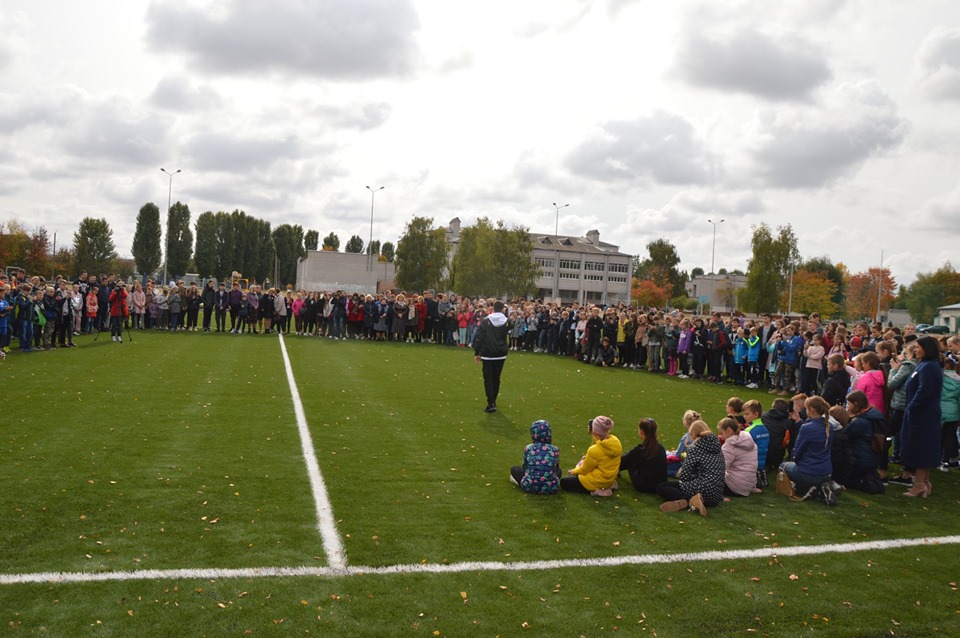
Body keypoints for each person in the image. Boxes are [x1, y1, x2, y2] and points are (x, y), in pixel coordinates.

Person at [900, 336, 943, 497]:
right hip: (921, 412)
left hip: (923, 413)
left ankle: (919, 484)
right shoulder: (924, 364)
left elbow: (924, 390)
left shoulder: (929, 366)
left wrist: (912, 406)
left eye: (918, 347)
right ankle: (924, 482)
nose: (915, 350)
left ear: (927, 348)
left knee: (922, 447)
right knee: (920, 446)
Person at [656, 420, 725, 516]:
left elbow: (685, 476)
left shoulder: (695, 449)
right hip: (716, 496)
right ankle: (696, 501)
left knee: (662, 487)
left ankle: (688, 500)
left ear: (694, 434)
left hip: (703, 490)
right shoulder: (718, 449)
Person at [780, 396, 839, 505]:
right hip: (826, 472)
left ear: (811, 410)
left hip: (809, 472)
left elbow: (797, 451)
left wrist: (794, 461)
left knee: (782, 466)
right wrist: (799, 421)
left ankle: (807, 488)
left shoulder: (808, 428)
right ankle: (821, 487)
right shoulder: (829, 426)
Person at [561, 415, 622, 496]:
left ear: (595, 431)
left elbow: (585, 469)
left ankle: (597, 491)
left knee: (564, 482)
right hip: (609, 479)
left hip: (598, 480)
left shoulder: (594, 450)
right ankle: (606, 486)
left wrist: (575, 471)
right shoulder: (616, 442)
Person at [840, 391, 885, 493]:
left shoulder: (860, 422)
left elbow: (844, 435)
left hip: (859, 460)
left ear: (856, 404)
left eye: (848, 404)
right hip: (872, 458)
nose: (847, 407)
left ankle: (862, 481)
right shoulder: (872, 416)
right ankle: (869, 477)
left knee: (844, 479)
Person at [473, 300, 511, 413]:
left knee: (488, 378)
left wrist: (477, 352)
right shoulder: (507, 321)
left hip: (488, 353)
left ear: (493, 308)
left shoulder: (486, 321)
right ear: (503, 309)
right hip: (501, 353)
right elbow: (509, 328)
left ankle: (491, 402)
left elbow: (480, 337)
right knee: (496, 378)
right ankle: (493, 400)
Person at [510, 420, 561, 495]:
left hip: (529, 486)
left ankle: (529, 482)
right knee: (559, 471)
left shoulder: (528, 448)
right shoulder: (555, 449)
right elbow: (556, 468)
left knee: (515, 469)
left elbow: (524, 466)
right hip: (551, 488)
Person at [619, 418, 668, 493]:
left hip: (644, 486)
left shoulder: (641, 450)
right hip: (661, 484)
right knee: (631, 457)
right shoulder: (660, 447)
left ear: (641, 432)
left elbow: (622, 463)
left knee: (630, 461)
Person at [718, 417, 758, 497]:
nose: (720, 436)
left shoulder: (729, 446)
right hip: (749, 484)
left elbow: (721, 468)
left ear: (729, 431)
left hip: (735, 486)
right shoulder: (748, 439)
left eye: (721, 433)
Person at [939, 354, 960, 471]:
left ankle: (938, 458)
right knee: (950, 436)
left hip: (940, 410)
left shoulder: (940, 378)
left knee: (940, 436)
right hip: (953, 412)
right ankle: (946, 460)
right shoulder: (958, 380)